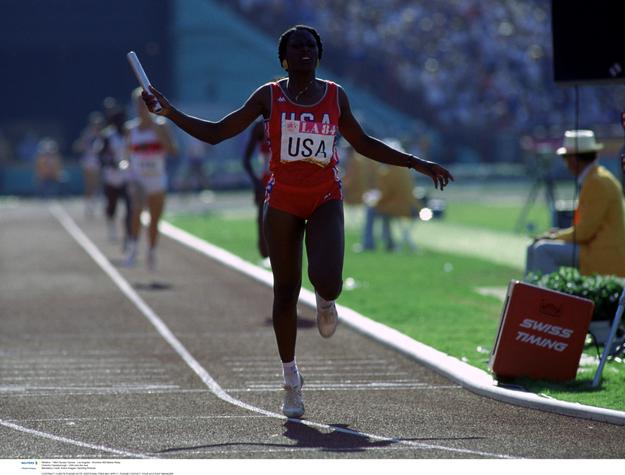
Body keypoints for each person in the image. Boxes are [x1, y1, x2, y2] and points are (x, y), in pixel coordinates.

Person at [141, 25, 453, 418]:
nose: (305, 50)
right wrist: (169, 112)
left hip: (324, 196)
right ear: (284, 59)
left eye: (311, 46)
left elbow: (363, 143)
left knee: (328, 280)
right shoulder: (268, 96)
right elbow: (218, 133)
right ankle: (290, 380)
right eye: (297, 46)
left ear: (318, 55)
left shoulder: (336, 96)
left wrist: (416, 163)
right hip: (283, 201)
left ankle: (325, 301)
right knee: (285, 293)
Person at [525, 129, 625, 278]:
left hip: (606, 255)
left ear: (574, 159)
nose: (565, 163)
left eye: (565, 158)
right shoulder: (595, 178)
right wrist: (555, 235)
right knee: (534, 247)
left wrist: (554, 236)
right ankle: (529, 296)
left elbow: (584, 233)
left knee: (542, 250)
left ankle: (545, 299)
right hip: (595, 248)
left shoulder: (597, 182)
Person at [125, 87, 178, 270]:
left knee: (154, 219)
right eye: (137, 104)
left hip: (157, 179)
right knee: (136, 210)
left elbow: (173, 151)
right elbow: (126, 156)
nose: (141, 107)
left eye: (143, 103)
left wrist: (158, 132)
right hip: (138, 178)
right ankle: (133, 249)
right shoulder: (130, 129)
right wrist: (125, 169)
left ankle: (151, 251)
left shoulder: (161, 125)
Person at [362, 139, 422, 252]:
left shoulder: (388, 171)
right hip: (411, 207)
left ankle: (368, 244)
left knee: (371, 210)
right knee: (384, 211)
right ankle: (389, 243)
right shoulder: (404, 169)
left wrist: (373, 201)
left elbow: (385, 195)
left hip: (398, 207)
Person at [97, 102, 131, 245]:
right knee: (112, 206)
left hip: (128, 175)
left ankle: (128, 234)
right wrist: (111, 164)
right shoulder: (107, 135)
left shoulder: (129, 132)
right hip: (112, 176)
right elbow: (100, 155)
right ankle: (112, 227)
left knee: (130, 206)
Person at [242, 119, 272, 260]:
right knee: (263, 246)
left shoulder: (294, 117)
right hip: (266, 183)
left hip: (290, 183)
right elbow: (246, 159)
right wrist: (256, 183)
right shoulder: (261, 126)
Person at [74, 111, 105, 218]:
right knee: (89, 185)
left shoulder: (103, 134)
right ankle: (88, 206)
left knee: (98, 184)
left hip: (98, 161)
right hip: (88, 161)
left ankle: (98, 205)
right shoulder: (87, 134)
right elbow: (79, 146)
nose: (97, 125)